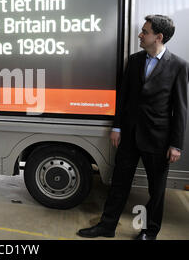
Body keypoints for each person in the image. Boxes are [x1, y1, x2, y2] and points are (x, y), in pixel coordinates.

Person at [77, 15, 188, 240]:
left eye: (144, 32)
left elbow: (181, 108)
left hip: (158, 139)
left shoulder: (178, 66)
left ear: (158, 37)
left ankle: (149, 231)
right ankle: (107, 226)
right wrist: (117, 127)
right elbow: (123, 97)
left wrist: (176, 144)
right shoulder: (135, 60)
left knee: (156, 191)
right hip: (128, 136)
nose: (140, 35)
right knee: (119, 184)